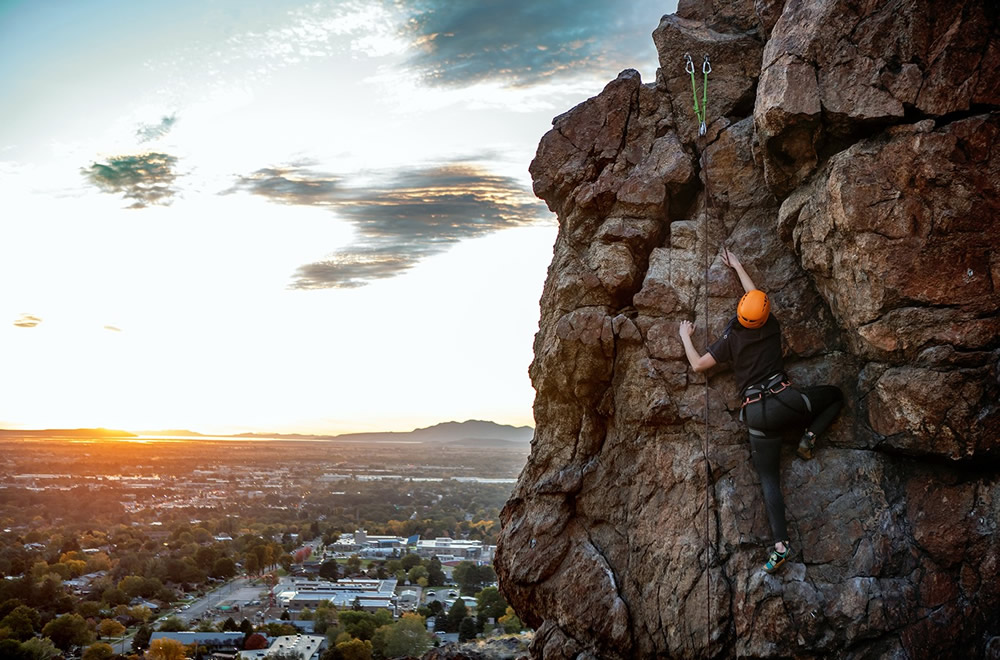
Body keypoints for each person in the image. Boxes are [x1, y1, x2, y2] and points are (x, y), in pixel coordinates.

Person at [678, 248, 843, 573]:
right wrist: (738, 263)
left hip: (757, 416)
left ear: (740, 312)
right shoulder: (772, 326)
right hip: (788, 402)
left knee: (769, 479)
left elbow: (699, 365)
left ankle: (780, 546)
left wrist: (685, 336)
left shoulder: (732, 339)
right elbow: (756, 296)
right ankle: (808, 437)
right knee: (835, 396)